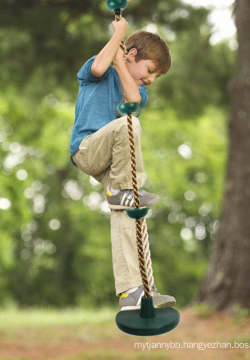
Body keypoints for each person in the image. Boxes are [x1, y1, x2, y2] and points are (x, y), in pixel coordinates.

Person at [70, 17, 175, 310]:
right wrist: (118, 36)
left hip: (109, 161)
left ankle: (134, 290)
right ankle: (129, 191)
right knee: (129, 125)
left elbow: (132, 98)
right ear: (131, 55)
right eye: (151, 70)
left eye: (156, 76)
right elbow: (100, 67)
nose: (151, 79)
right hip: (87, 150)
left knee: (128, 213)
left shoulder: (139, 91)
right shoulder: (100, 69)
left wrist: (122, 62)